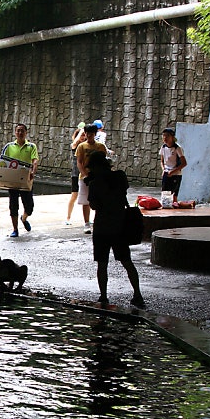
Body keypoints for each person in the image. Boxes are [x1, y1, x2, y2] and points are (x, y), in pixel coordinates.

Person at [84, 151, 145, 309]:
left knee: (102, 264)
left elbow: (94, 206)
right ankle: (137, 294)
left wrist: (92, 185)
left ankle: (104, 296)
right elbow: (123, 192)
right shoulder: (119, 177)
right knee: (127, 262)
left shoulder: (95, 183)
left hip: (102, 227)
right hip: (119, 225)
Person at [1, 123, 39, 238]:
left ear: (26, 132)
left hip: (26, 180)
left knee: (29, 206)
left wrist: (33, 172)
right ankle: (15, 229)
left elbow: (35, 161)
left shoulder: (31, 146)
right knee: (13, 205)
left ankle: (24, 218)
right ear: (15, 132)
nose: (20, 133)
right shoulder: (9, 146)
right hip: (12, 181)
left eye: (22, 131)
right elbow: (2, 161)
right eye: (18, 131)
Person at [74, 124, 107, 234]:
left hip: (98, 177)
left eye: (91, 133)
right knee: (85, 201)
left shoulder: (101, 146)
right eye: (87, 133)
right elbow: (79, 162)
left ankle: (98, 222)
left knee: (100, 200)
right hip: (85, 177)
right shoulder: (81, 146)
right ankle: (86, 223)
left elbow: (104, 162)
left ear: (95, 134)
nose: (89, 135)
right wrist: (84, 174)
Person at [159, 128, 187, 203]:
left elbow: (184, 163)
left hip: (176, 174)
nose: (165, 138)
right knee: (164, 195)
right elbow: (162, 161)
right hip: (166, 172)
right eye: (163, 136)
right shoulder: (163, 147)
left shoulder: (177, 148)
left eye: (167, 136)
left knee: (174, 196)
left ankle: (175, 212)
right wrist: (163, 169)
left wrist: (172, 171)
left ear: (172, 137)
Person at [66, 122, 86, 225]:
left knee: (88, 197)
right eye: (81, 135)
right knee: (74, 195)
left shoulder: (86, 146)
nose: (83, 137)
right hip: (75, 174)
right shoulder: (74, 146)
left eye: (84, 135)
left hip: (85, 174)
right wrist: (82, 130)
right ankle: (68, 217)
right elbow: (75, 141)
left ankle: (87, 219)